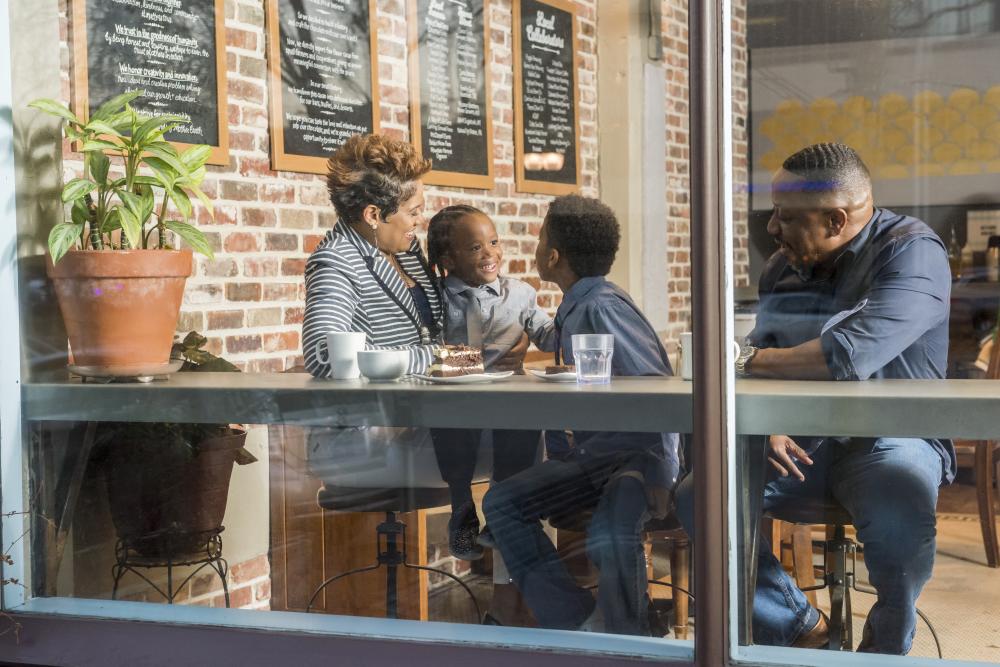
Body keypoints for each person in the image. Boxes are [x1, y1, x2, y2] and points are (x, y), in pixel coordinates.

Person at [676, 142, 953, 654]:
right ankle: (801, 627)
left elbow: (846, 354)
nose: (772, 229)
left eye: (785, 216)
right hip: (805, 441)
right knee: (701, 494)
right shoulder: (781, 270)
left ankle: (884, 652)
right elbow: (771, 353)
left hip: (889, 436)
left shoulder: (912, 251)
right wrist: (768, 420)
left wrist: (737, 360)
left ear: (834, 220)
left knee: (899, 497)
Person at [482, 195, 681, 636]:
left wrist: (662, 473)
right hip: (597, 459)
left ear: (553, 256)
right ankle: (576, 623)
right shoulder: (580, 304)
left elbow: (657, 387)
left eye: (539, 239)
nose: (535, 247)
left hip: (632, 460)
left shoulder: (600, 307)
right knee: (502, 502)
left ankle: (625, 634)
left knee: (612, 526)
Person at [425, 205, 557, 561]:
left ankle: (501, 510)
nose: (490, 254)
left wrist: (580, 324)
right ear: (447, 258)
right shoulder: (433, 297)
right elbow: (424, 351)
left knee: (522, 414)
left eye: (494, 242)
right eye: (474, 248)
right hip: (455, 401)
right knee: (452, 417)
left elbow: (547, 335)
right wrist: (478, 363)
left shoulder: (520, 295)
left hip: (505, 399)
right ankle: (461, 505)